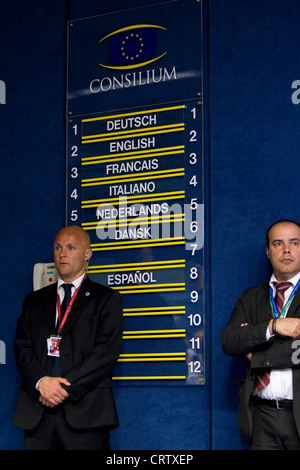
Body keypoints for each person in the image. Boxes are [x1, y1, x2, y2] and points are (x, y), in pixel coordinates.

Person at [13, 225, 123, 450]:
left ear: (87, 254)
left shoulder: (106, 299)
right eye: (58, 247)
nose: (62, 254)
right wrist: (41, 382)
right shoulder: (33, 301)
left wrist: (60, 390)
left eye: (71, 247)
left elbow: (106, 353)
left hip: (86, 413)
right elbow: (22, 346)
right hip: (38, 414)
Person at [221, 219, 300, 450]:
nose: (286, 249)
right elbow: (229, 341)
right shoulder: (250, 298)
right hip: (260, 417)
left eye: (294, 243)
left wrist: (256, 355)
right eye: (278, 243)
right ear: (268, 251)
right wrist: (274, 326)